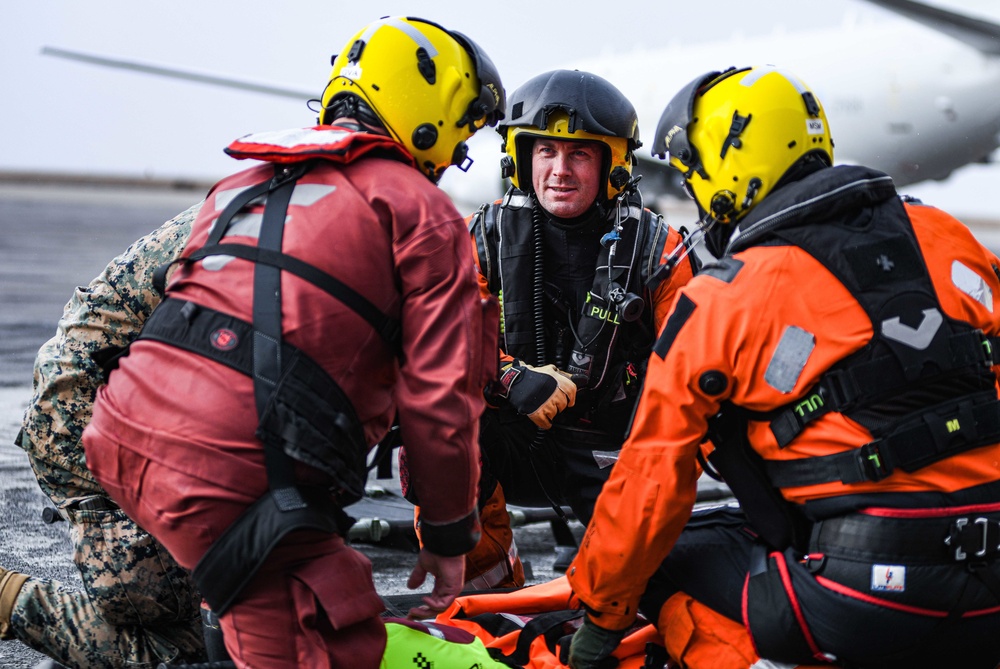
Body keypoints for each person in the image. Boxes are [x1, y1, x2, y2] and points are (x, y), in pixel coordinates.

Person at [76, 15, 506, 669]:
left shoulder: (240, 185)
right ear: (430, 115)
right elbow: (440, 399)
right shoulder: (421, 211)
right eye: (460, 136)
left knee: (281, 598)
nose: (454, 160)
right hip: (230, 475)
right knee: (336, 641)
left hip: (117, 436)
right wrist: (449, 531)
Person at [566, 65, 1000, 669]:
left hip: (864, 601)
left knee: (662, 557)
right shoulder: (950, 238)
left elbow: (650, 481)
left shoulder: (724, 297)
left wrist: (597, 623)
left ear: (724, 174)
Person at [404, 69, 699, 591]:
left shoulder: (660, 251)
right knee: (429, 425)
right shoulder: (484, 235)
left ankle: (622, 585)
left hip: (619, 453)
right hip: (513, 440)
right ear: (522, 159)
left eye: (579, 154)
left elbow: (697, 375)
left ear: (613, 164)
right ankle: (489, 587)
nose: (559, 170)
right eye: (546, 152)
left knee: (653, 591)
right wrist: (510, 377)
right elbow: (434, 339)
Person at [0, 203, 206, 669]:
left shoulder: (276, 197)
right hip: (90, 414)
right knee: (179, 632)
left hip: (131, 408)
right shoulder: (298, 227)